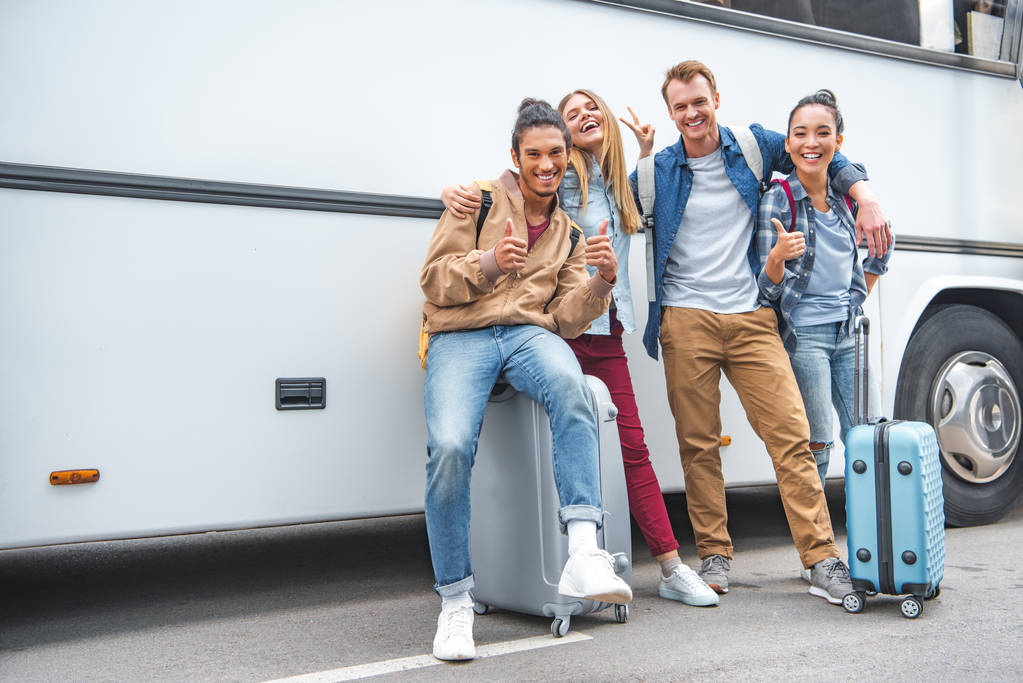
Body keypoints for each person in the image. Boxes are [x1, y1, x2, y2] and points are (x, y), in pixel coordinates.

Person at [441, 89, 719, 608]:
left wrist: (640, 153)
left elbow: (651, 211)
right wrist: (452, 192)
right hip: (550, 331)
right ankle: (495, 576)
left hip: (604, 326)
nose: (585, 116)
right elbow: (502, 192)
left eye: (593, 107)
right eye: (572, 114)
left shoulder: (619, 186)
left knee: (631, 448)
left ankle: (669, 565)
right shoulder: (556, 177)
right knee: (509, 448)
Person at [634, 60, 890, 604]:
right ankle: (716, 554)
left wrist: (865, 196)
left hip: (752, 315)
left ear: (716, 98)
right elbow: (589, 195)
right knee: (699, 444)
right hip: (686, 319)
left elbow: (818, 150)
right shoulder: (657, 172)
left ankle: (821, 560)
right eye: (680, 106)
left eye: (698, 101)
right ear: (671, 112)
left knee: (793, 437)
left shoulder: (751, 145)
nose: (691, 113)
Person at [420, 98, 631, 662]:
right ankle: (456, 601)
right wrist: (490, 262)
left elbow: (564, 317)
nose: (546, 164)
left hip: (525, 335)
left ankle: (584, 551)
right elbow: (434, 281)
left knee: (576, 388)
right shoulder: (477, 201)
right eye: (534, 154)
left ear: (567, 157)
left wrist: (601, 282)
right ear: (515, 156)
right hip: (460, 334)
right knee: (448, 447)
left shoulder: (567, 232)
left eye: (555, 154)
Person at [756, 89, 893, 491]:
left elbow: (881, 251)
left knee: (866, 439)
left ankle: (869, 537)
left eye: (822, 133)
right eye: (800, 134)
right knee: (815, 445)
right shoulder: (777, 201)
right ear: (788, 143)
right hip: (805, 339)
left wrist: (855, 297)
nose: (810, 143)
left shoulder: (848, 199)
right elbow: (766, 291)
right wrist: (778, 257)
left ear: (838, 142)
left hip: (850, 332)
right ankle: (816, 547)